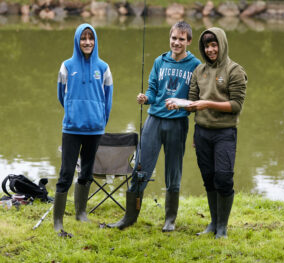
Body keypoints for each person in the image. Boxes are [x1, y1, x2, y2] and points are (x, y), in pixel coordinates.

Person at [107, 21, 200, 231]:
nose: (177, 42)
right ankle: (129, 217)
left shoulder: (195, 65)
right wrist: (145, 98)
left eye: (181, 39)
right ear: (170, 38)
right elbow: (152, 90)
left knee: (173, 170)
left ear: (189, 41)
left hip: (177, 123)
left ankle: (170, 220)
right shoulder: (160, 61)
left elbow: (196, 99)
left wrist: (185, 106)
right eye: (174, 38)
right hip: (154, 121)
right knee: (140, 167)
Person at [168, 27, 247, 238]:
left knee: (223, 178)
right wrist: (179, 104)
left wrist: (208, 104)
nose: (210, 49)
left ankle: (223, 227)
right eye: (206, 45)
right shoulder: (199, 71)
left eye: (214, 45)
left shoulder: (235, 70)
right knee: (209, 178)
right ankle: (213, 223)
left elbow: (236, 105)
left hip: (225, 133)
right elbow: (194, 102)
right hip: (202, 132)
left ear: (221, 44)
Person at [54, 23, 113, 233]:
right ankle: (58, 221)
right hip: (71, 128)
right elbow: (62, 95)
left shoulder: (103, 68)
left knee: (87, 172)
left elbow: (108, 99)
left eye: (91, 38)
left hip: (94, 129)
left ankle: (81, 214)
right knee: (66, 173)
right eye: (83, 38)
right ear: (77, 41)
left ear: (95, 41)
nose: (87, 42)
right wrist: (74, 111)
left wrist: (99, 119)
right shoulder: (67, 66)